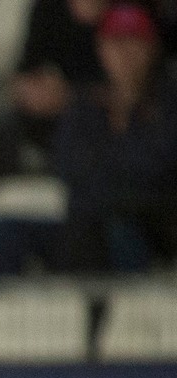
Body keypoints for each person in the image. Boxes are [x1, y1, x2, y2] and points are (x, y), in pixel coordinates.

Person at [52, 3, 177, 271]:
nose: (124, 54)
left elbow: (158, 169)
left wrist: (127, 123)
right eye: (116, 44)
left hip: (150, 223)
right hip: (89, 222)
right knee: (12, 228)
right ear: (101, 49)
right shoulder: (86, 107)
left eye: (134, 43)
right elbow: (69, 166)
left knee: (116, 225)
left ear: (152, 48)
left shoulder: (167, 105)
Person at [0, 0, 110, 181]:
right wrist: (33, 93)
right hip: (52, 109)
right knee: (5, 125)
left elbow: (130, 86)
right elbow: (24, 73)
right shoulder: (47, 8)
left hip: (102, 111)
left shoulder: (123, 11)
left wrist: (70, 96)